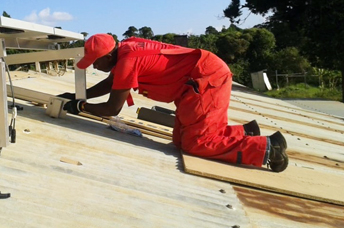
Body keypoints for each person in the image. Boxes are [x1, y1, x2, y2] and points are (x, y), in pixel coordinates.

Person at [59, 33, 289, 172]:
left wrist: (79, 107)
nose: (93, 66)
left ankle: (267, 149)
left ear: (109, 55)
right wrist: (80, 96)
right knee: (180, 140)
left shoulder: (127, 61)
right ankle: (247, 133)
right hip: (197, 80)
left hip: (206, 79)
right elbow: (112, 83)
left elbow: (112, 108)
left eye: (95, 62)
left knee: (195, 144)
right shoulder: (125, 49)